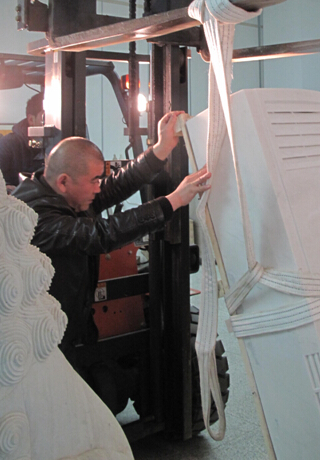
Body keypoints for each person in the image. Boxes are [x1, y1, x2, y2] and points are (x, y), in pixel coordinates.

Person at [13, 110, 210, 368]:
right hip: (43, 340)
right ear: (63, 182)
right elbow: (100, 235)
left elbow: (115, 186)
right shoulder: (33, 216)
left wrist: (161, 149)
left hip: (69, 323)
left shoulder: (60, 192)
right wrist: (173, 201)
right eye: (94, 180)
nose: (99, 187)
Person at [0, 91, 45, 189]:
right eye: (45, 117)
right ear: (31, 119)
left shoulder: (65, 145)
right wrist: (6, 188)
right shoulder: (9, 144)